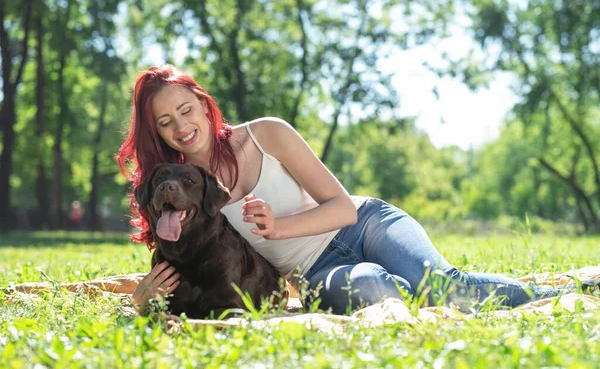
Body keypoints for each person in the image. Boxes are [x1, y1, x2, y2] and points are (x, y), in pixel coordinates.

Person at [117, 64, 562, 315]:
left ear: (203, 104)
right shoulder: (179, 193)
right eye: (165, 121)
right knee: (372, 290)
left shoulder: (266, 134)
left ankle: (567, 293)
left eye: (185, 109)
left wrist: (279, 226)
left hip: (366, 225)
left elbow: (344, 209)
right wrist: (143, 298)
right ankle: (417, 298)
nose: (181, 126)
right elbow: (181, 261)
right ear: (156, 132)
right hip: (313, 274)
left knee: (443, 286)